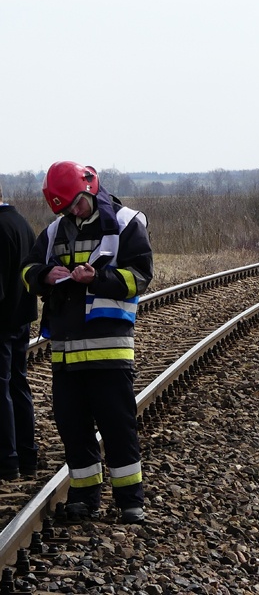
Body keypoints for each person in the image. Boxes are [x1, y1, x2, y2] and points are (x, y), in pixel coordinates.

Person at [22, 161, 153, 524]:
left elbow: (141, 277)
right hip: (65, 353)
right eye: (66, 208)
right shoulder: (52, 232)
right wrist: (45, 274)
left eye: (77, 204)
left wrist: (98, 279)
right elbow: (27, 270)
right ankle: (84, 497)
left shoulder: (126, 224)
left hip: (110, 349)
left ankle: (130, 501)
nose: (74, 212)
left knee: (117, 426)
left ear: (90, 187)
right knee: (72, 426)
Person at [0, 183, 39, 481]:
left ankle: (8, 461)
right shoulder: (22, 223)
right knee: (18, 386)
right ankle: (28, 457)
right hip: (21, 320)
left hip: (1, 322)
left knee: (1, 390)